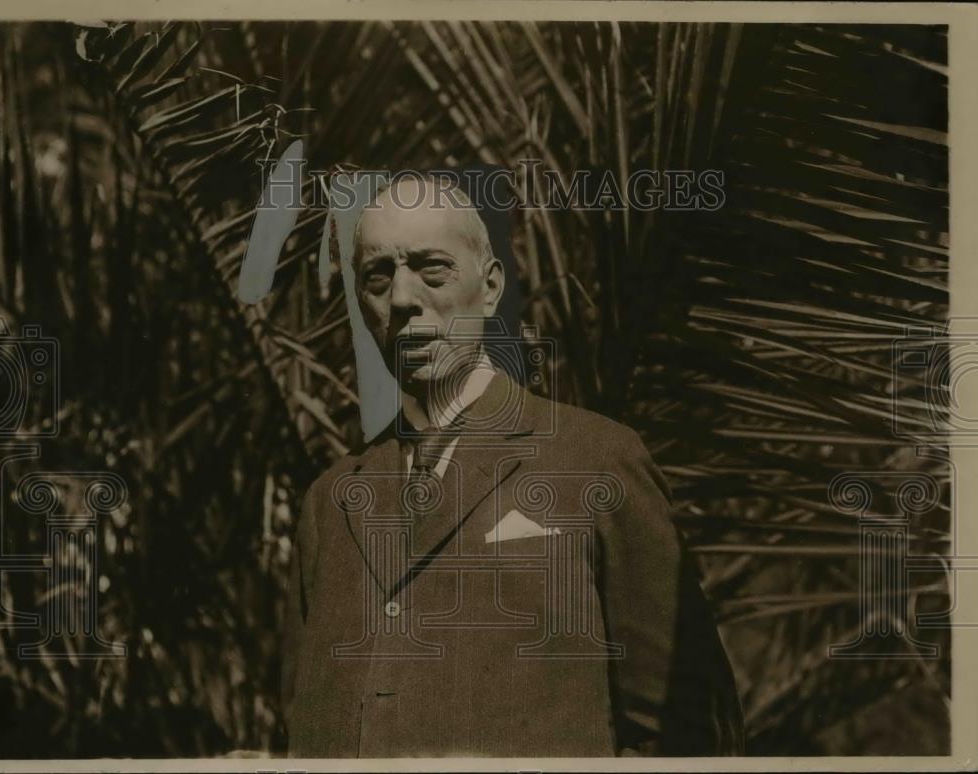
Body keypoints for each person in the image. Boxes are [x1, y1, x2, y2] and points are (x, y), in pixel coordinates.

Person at [281, 174, 744, 757]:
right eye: (378, 275)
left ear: (491, 285)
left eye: (431, 268)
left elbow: (687, 729)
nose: (401, 298)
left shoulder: (597, 460)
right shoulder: (329, 503)